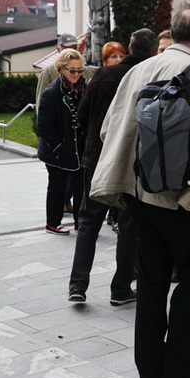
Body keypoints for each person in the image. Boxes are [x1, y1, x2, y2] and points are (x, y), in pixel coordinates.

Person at [90, 2, 190, 378]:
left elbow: (109, 131)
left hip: (140, 199)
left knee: (150, 284)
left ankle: (149, 370)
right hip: (188, 203)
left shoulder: (139, 69)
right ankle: (180, 370)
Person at [67, 29, 159, 304]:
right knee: (130, 225)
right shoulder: (152, 76)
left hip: (97, 157)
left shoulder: (103, 75)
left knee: (89, 222)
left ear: (130, 47)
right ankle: (120, 289)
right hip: (133, 160)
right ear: (155, 52)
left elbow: (82, 116)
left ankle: (77, 285)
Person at [36, 33, 93, 215]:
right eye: (68, 47)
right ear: (59, 49)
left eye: (75, 47)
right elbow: (42, 108)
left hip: (77, 141)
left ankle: (73, 211)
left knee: (77, 181)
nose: (76, 73)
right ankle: (60, 207)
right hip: (60, 140)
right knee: (59, 180)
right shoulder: (49, 73)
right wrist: (54, 141)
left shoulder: (85, 71)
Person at [87, 0, 111, 66]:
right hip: (94, 22)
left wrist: (103, 23)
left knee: (101, 43)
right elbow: (90, 12)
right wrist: (91, 21)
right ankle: (93, 59)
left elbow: (106, 13)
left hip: (101, 24)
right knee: (91, 40)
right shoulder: (91, 0)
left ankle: (102, 61)